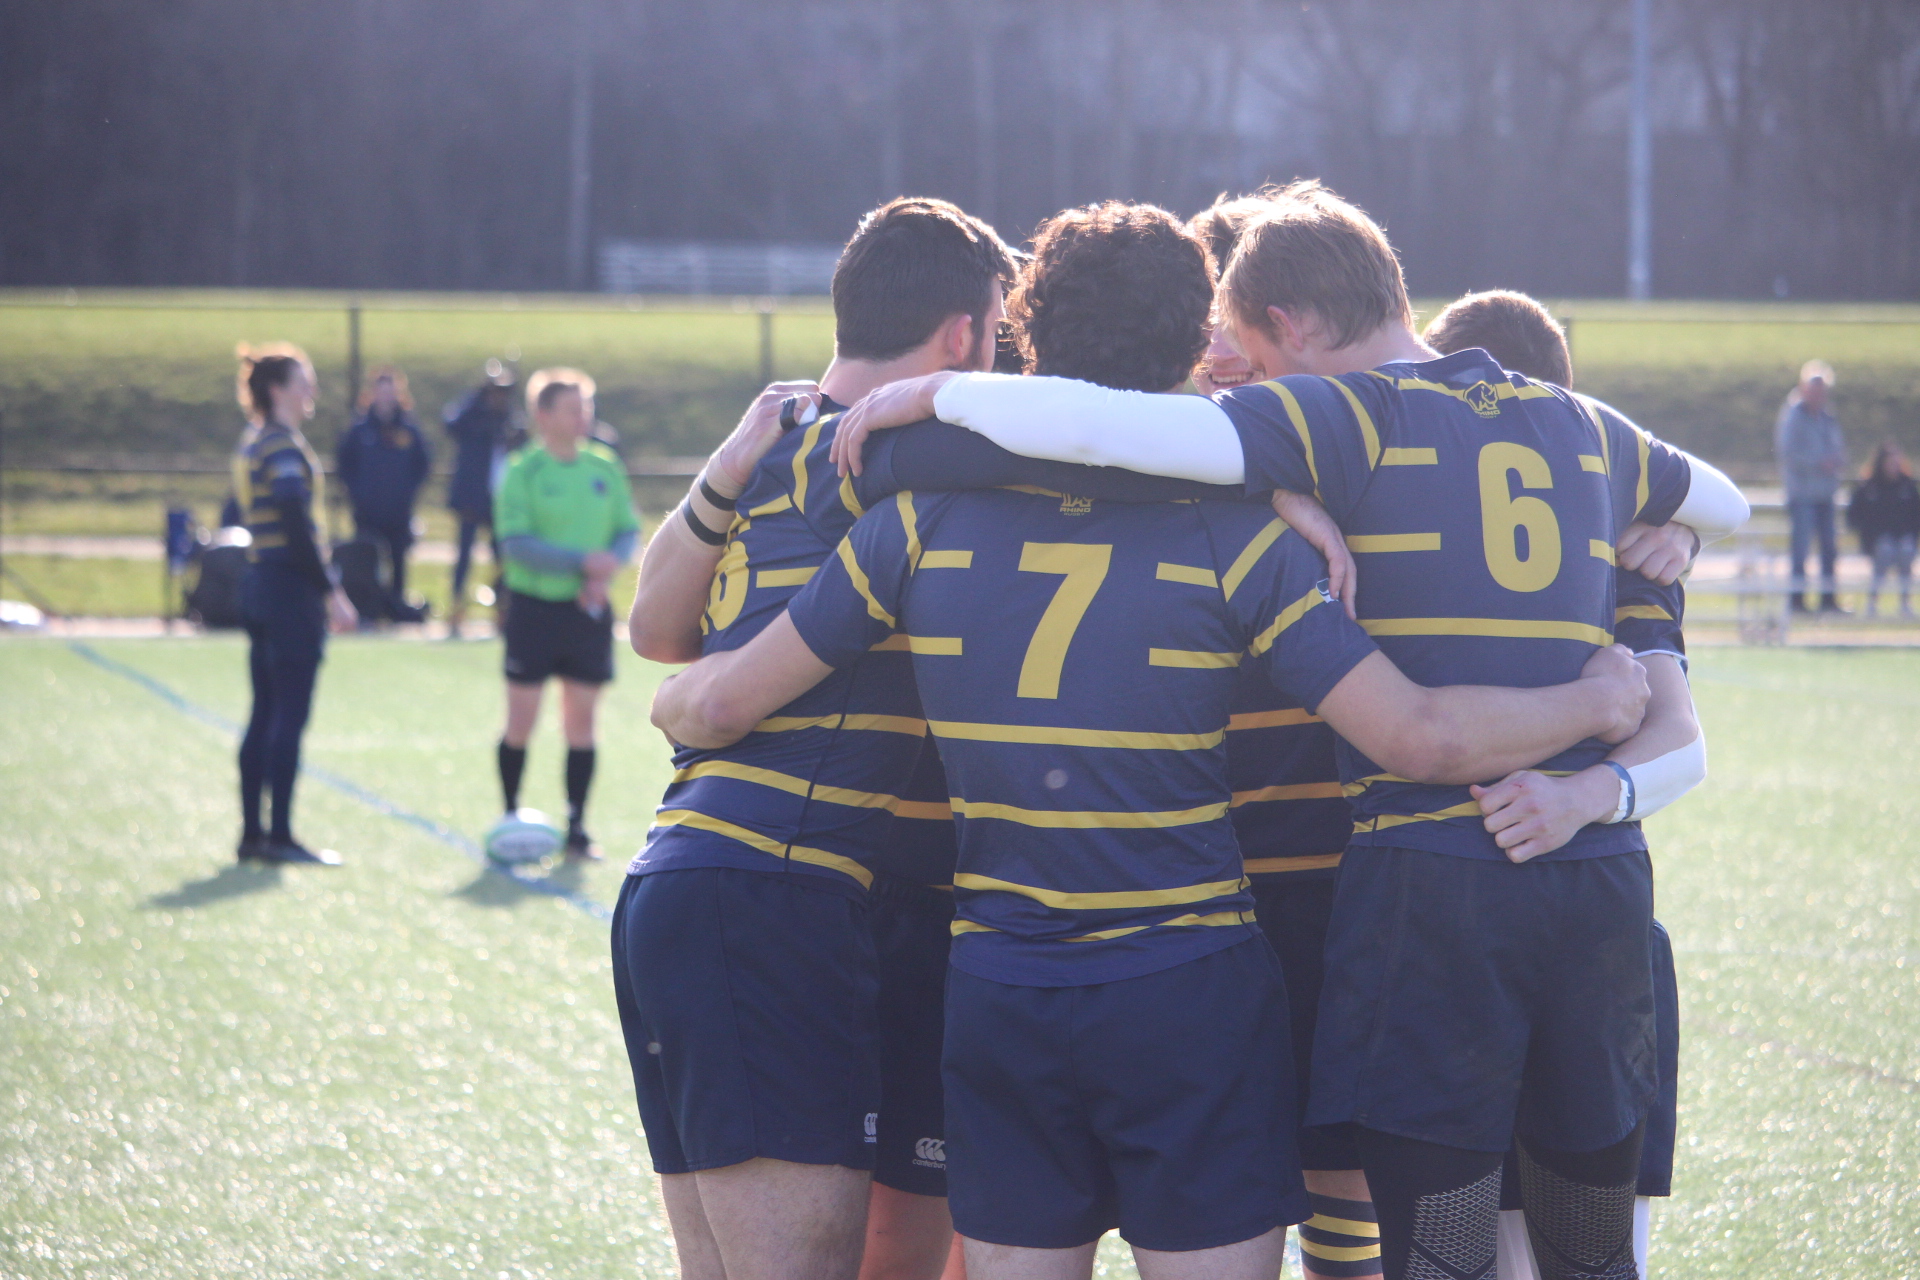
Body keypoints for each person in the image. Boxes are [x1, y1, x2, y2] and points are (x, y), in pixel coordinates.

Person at [651, 200, 1652, 1280]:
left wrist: (676, 700)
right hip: (1191, 990)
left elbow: (710, 693)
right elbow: (1417, 732)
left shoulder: (913, 519)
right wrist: (1600, 700)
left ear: (1027, 330)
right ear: (1196, 343)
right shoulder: (1246, 537)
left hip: (1003, 988)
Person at [617, 197, 1019, 1280]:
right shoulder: (919, 459)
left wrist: (720, 468)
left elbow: (653, 625)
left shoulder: (773, 441)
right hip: (774, 893)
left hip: (677, 886)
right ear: (961, 337)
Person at [1423, 287, 1707, 1280]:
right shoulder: (1391, 516)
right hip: (1469, 923)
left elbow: (1679, 734)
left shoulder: (1619, 543)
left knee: (1557, 1249)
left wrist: (1580, 796)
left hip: (1560, 925)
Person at [1191, 190, 1376, 1280]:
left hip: (1346, 872)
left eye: (1232, 327)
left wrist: (1658, 514)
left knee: (1347, 1187)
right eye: (1205, 328)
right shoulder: (1166, 442)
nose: (1218, 352)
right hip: (1204, 881)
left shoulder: (1366, 431)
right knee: (1217, 1189)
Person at [494, 367, 638, 861]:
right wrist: (580, 564)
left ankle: (577, 826)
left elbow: (626, 530)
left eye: (588, 408)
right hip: (534, 610)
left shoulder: (604, 466)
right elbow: (515, 545)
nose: (585, 418)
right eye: (574, 408)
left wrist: (604, 571)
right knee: (522, 721)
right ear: (543, 414)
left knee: (581, 724)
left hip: (588, 612)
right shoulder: (522, 471)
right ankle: (510, 812)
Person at [230, 343, 357, 866]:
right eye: (304, 382)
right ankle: (278, 834)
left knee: (263, 713)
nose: (313, 393)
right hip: (288, 591)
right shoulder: (282, 445)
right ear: (279, 390)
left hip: (261, 584)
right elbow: (295, 521)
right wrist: (331, 591)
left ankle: (253, 834)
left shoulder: (254, 440)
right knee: (287, 715)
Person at [336, 365, 431, 622]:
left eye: (391, 392)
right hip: (367, 512)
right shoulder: (359, 430)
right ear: (373, 394)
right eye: (381, 392)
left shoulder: (408, 429)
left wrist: (407, 493)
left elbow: (423, 464)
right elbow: (344, 465)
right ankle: (368, 607)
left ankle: (396, 607)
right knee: (365, 561)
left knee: (398, 561)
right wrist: (357, 494)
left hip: (398, 513)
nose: (386, 397)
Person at [444, 360, 518, 633]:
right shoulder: (473, 416)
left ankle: (502, 610)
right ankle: (456, 606)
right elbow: (451, 423)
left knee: (501, 558)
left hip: (499, 501)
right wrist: (478, 395)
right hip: (471, 498)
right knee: (463, 556)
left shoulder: (509, 420)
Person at [1775, 360, 1848, 613]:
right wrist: (1820, 463)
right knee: (1801, 550)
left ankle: (1829, 600)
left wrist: (1838, 460)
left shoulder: (1828, 417)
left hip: (1826, 494)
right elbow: (1789, 454)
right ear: (1804, 389)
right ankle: (1797, 601)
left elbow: (1838, 446)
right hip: (1802, 494)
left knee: (1830, 549)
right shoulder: (1793, 417)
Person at [1846, 442, 1920, 618]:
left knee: (1906, 549)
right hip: (1877, 542)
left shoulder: (1907, 485)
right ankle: (1872, 601)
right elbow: (1854, 517)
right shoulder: (1868, 487)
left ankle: (1905, 602)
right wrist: (1872, 535)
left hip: (1903, 540)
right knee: (1885, 550)